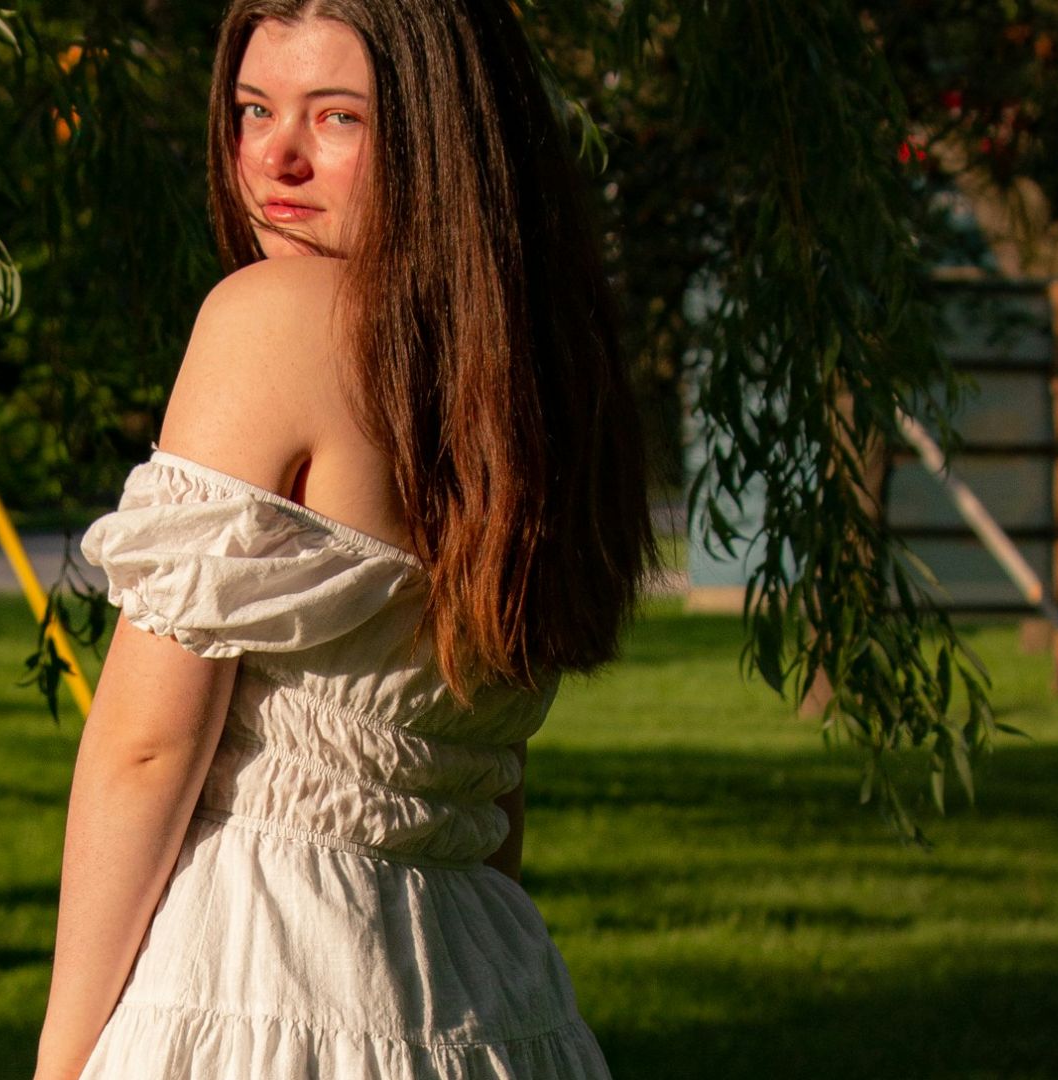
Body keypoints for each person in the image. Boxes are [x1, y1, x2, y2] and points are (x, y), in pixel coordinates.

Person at [34, 0, 654, 1076]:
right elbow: (491, 779)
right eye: (252, 108)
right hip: (490, 988)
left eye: (337, 119)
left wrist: (62, 1057)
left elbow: (148, 746)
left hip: (258, 966)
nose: (275, 157)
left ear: (440, 142)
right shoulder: (542, 379)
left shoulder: (271, 315)